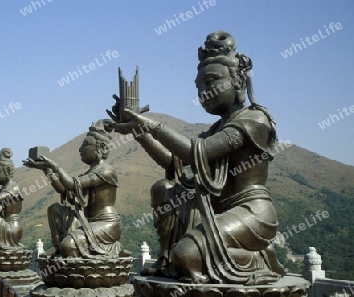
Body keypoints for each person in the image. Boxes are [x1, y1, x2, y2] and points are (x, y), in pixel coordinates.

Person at [108, 31, 285, 285]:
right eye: (199, 86)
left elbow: (194, 152)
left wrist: (150, 125)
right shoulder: (216, 130)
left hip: (250, 213)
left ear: (237, 81)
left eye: (211, 81)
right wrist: (138, 131)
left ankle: (260, 257)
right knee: (164, 189)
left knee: (188, 256)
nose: (203, 91)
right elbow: (174, 163)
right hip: (217, 210)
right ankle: (169, 257)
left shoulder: (254, 120)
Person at [23, 119, 128, 259]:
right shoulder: (90, 173)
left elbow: (71, 184)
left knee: (69, 245)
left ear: (100, 147)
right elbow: (64, 190)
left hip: (105, 224)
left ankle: (77, 262)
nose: (80, 150)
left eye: (85, 145)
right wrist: (46, 169)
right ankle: (57, 246)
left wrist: (55, 166)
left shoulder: (106, 171)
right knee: (54, 209)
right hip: (87, 221)